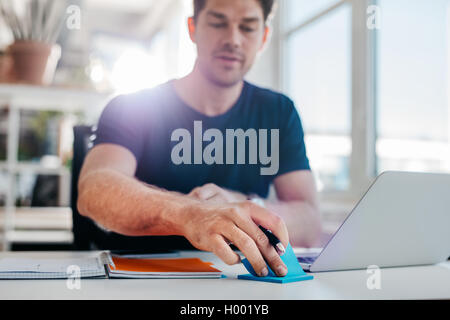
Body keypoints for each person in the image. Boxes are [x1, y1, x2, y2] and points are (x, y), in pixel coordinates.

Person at [77, 0, 322, 278]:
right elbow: (94, 190)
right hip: (140, 280)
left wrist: (246, 206)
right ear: (192, 28)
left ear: (264, 37)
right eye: (218, 23)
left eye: (248, 27)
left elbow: (310, 222)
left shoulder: (279, 112)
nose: (233, 39)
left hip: (242, 281)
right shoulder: (132, 107)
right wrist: (190, 213)